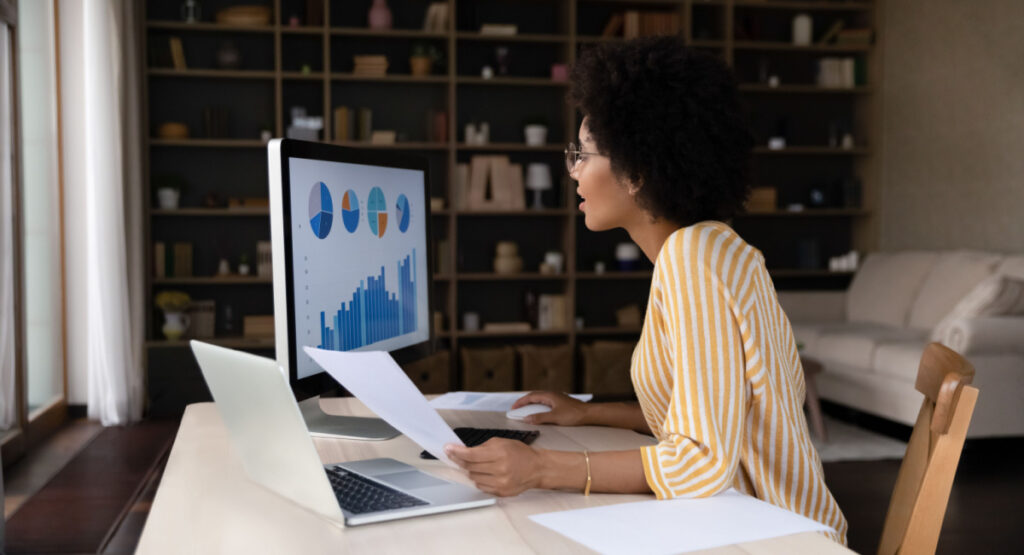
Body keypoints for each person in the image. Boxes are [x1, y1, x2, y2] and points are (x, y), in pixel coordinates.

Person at [444, 36, 848, 543]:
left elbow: (700, 461)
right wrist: (587, 413)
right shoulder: (712, 247)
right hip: (750, 522)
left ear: (635, 172)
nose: (571, 170)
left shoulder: (690, 261)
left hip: (777, 539)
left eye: (582, 154)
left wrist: (541, 467)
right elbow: (711, 413)